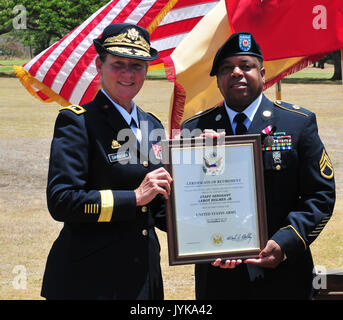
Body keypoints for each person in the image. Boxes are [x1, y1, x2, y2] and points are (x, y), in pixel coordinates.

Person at [181, 32, 335, 299]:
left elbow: (320, 195)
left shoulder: (297, 123)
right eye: (227, 69)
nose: (237, 73)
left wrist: (285, 242)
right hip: (219, 279)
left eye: (246, 66)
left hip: (285, 276)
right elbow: (184, 203)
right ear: (218, 81)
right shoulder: (194, 131)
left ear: (263, 74)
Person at [41, 23, 172, 300]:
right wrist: (133, 198)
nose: (128, 73)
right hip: (91, 279)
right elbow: (62, 201)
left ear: (147, 70)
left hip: (143, 278)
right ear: (100, 66)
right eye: (118, 64)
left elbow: (160, 209)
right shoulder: (78, 122)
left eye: (137, 65)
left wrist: (214, 237)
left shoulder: (152, 124)